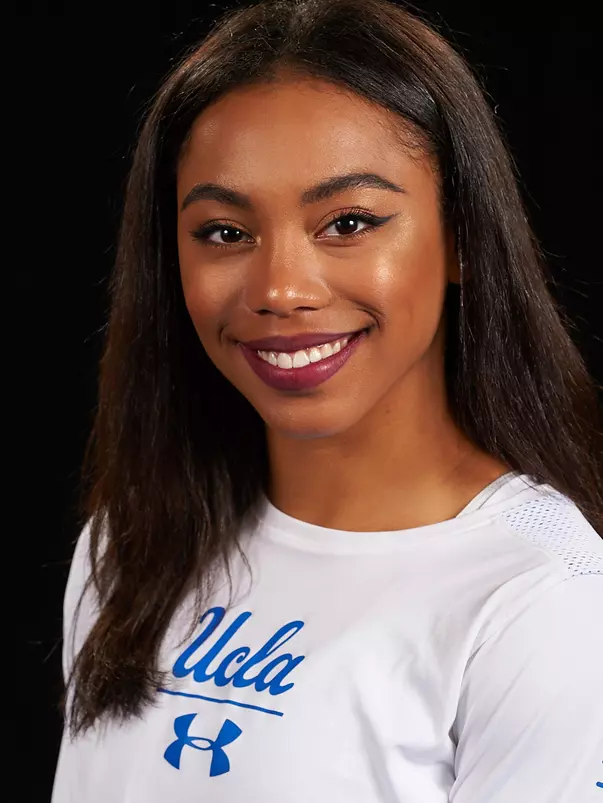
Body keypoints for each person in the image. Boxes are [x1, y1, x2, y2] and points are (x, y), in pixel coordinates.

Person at [52, 0, 603, 800]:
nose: (279, 289)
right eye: (224, 232)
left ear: (462, 237)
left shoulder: (542, 598)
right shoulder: (130, 544)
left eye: (347, 222)